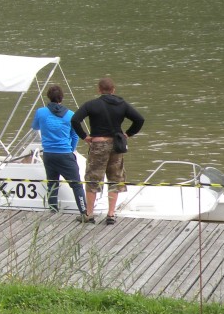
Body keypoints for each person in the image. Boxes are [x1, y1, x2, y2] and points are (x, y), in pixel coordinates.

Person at [70, 77, 145, 225]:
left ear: (99, 90)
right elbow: (139, 119)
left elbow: (74, 120)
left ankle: (89, 214)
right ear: (113, 90)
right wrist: (127, 134)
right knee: (115, 178)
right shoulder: (122, 104)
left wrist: (85, 136)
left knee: (93, 179)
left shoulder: (92, 104)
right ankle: (111, 214)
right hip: (117, 146)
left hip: (98, 145)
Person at [32, 85, 86, 216]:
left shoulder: (41, 112)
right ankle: (84, 212)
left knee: (52, 183)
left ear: (48, 97)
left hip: (48, 154)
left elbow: (35, 126)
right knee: (76, 185)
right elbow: (75, 135)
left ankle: (53, 210)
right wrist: (71, 150)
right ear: (62, 97)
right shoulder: (71, 115)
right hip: (65, 154)